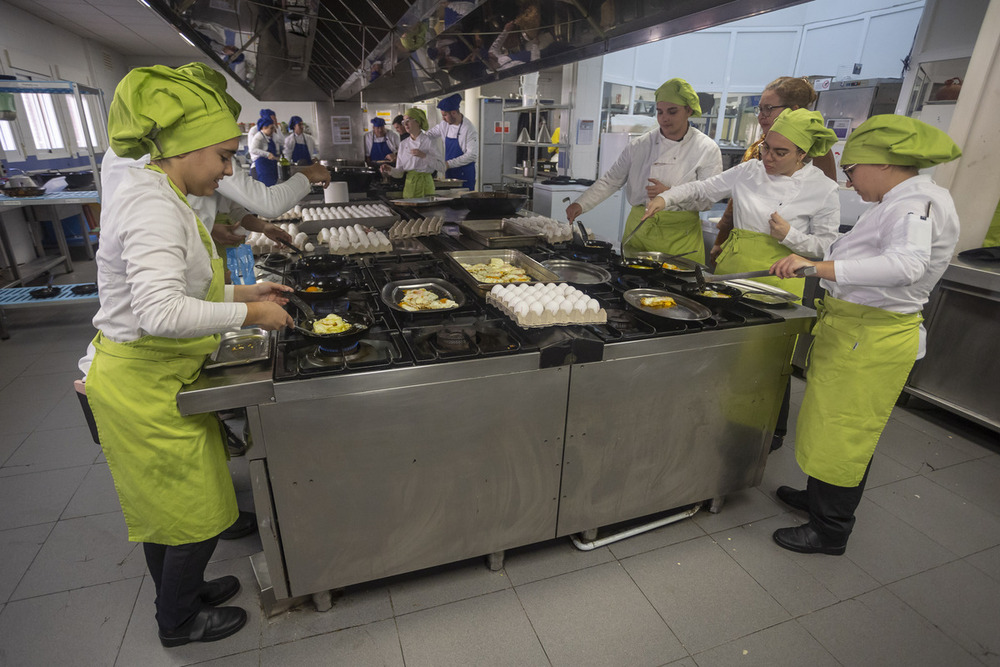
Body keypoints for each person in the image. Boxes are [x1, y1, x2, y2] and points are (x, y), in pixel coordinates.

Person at [86, 64, 295, 647]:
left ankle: (182, 594)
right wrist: (250, 315)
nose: (230, 169)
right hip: (141, 383)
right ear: (184, 147)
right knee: (195, 514)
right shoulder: (152, 206)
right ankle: (177, 622)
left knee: (169, 508)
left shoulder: (163, 192)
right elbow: (158, 312)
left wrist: (242, 292)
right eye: (225, 156)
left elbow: (179, 291)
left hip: (160, 375)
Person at [768, 115, 962, 555]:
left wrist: (816, 268)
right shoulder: (901, 200)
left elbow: (905, 266)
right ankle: (818, 499)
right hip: (853, 328)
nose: (850, 181)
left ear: (884, 164)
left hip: (871, 336)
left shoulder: (914, 205)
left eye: (851, 171)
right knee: (827, 420)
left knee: (847, 431)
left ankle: (830, 529)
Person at [643, 108, 840, 300]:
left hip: (777, 281)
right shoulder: (749, 170)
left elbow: (826, 246)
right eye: (766, 147)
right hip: (730, 272)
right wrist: (666, 197)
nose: (768, 158)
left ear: (801, 154)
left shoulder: (823, 188)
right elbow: (703, 188)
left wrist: (790, 236)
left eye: (780, 153)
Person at [567, 78, 722, 261]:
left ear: (688, 110)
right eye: (660, 112)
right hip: (639, 230)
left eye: (672, 111)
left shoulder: (706, 148)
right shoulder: (640, 145)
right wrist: (582, 203)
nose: (664, 118)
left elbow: (708, 198)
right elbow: (611, 180)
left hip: (680, 235)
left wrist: (670, 195)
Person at [712, 76, 838, 263]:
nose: (761, 115)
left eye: (769, 109)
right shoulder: (758, 145)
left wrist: (790, 235)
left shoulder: (816, 154)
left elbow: (820, 225)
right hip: (739, 251)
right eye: (760, 109)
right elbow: (737, 199)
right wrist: (722, 239)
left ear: (793, 111)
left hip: (783, 261)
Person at [380, 107, 445, 198]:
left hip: (426, 187)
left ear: (418, 122)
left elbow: (442, 167)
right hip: (409, 188)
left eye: (408, 120)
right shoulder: (403, 144)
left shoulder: (429, 141)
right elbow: (399, 173)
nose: (405, 124)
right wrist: (390, 169)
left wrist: (424, 156)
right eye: (403, 122)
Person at [425, 93, 479, 189]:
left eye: (445, 115)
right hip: (450, 172)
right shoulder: (444, 124)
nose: (443, 118)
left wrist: (448, 164)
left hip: (465, 173)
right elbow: (429, 135)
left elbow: (472, 155)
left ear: (453, 112)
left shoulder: (468, 129)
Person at [249, 116, 280, 186]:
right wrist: (267, 154)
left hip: (271, 166)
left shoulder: (270, 137)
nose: (273, 130)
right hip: (262, 166)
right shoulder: (258, 136)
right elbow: (252, 149)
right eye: (271, 128)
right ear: (264, 128)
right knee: (265, 186)